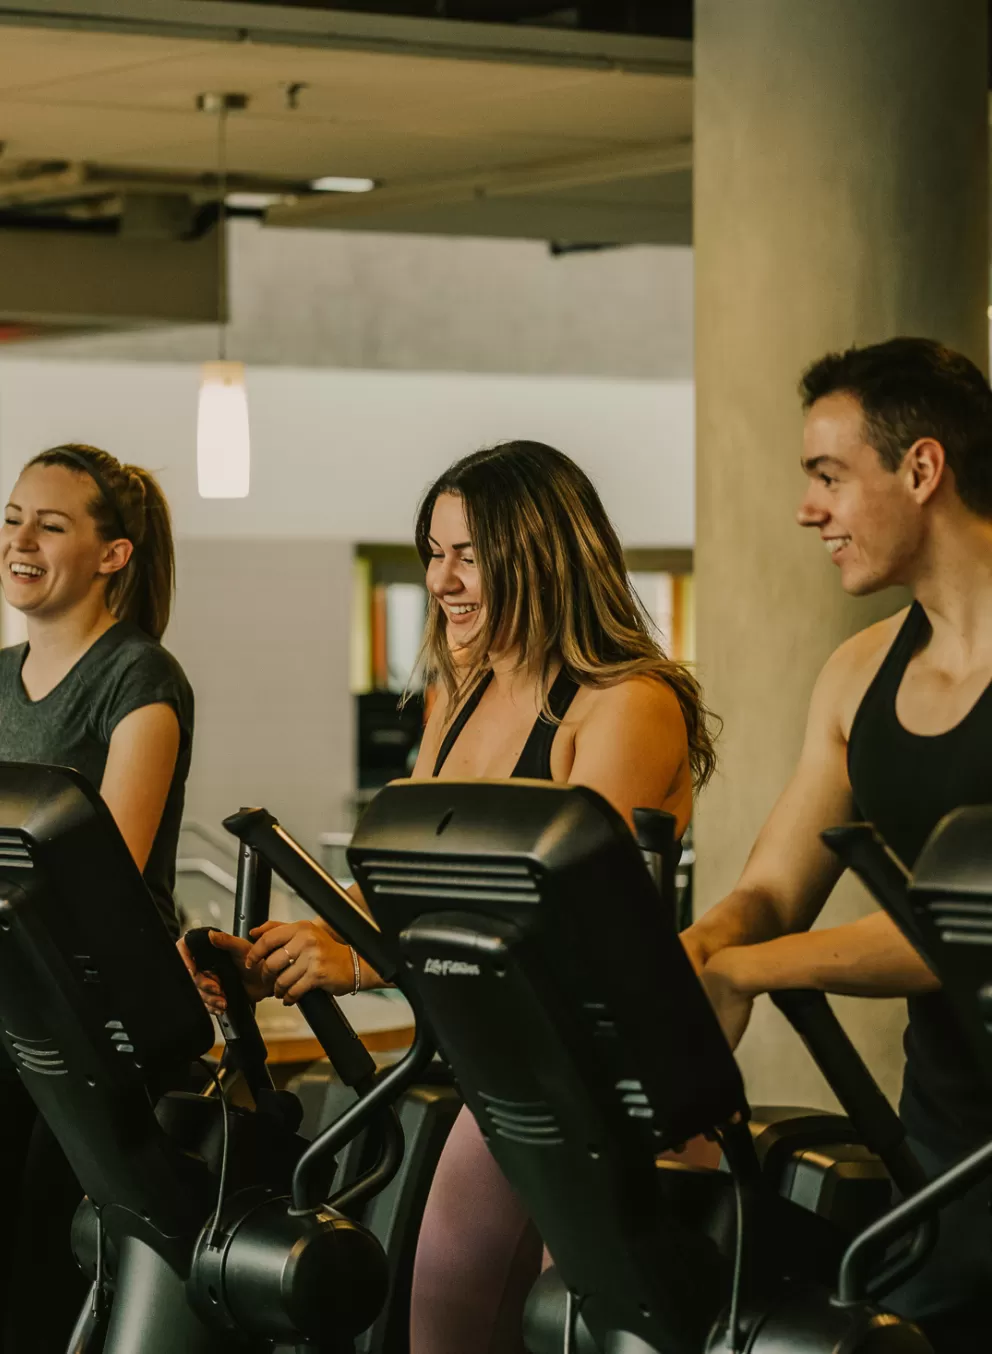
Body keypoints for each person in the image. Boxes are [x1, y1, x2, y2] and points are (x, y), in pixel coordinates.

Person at [191, 440, 717, 1354]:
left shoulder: (624, 703)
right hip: (504, 1070)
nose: (443, 579)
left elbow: (561, 923)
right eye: (433, 552)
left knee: (586, 1333)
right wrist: (296, 944)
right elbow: (413, 885)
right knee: (442, 1319)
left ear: (544, 551)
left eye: (469, 554)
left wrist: (357, 958)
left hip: (613, 1083)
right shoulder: (455, 699)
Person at [683, 338, 992, 1352]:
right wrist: (698, 950)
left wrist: (751, 968)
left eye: (827, 477)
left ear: (920, 468)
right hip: (944, 1153)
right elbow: (770, 891)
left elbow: (967, 931)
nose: (805, 509)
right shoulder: (857, 675)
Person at [0, 443, 194, 1353]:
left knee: (41, 1258)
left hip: (98, 1014)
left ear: (112, 554)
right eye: (12, 518)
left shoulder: (138, 679)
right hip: (11, 994)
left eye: (50, 522)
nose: (20, 539)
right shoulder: (0, 678)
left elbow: (102, 879)